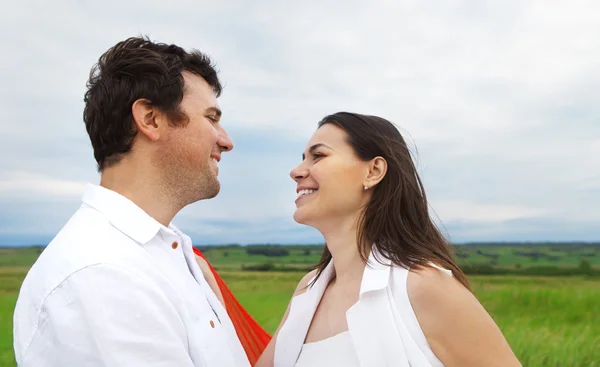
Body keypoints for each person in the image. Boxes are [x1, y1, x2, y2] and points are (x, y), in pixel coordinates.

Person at [13, 36, 268, 367]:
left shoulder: (166, 252)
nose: (227, 140)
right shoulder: (102, 273)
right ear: (150, 119)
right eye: (211, 117)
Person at [256, 112, 522, 367]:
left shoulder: (423, 286)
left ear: (373, 171)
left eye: (319, 156)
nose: (297, 171)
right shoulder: (308, 290)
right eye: (303, 158)